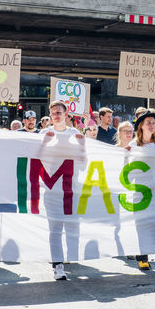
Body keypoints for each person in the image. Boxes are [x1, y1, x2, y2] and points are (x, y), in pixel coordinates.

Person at [41, 100, 85, 280]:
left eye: (59, 112)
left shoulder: (75, 134)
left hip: (71, 188)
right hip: (52, 189)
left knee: (72, 225)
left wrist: (82, 145)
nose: (56, 116)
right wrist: (44, 142)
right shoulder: (44, 133)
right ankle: (57, 265)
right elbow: (36, 158)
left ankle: (69, 256)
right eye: (53, 113)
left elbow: (83, 163)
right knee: (55, 228)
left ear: (66, 114)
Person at [127, 109, 155, 273]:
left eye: (154, 123)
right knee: (143, 223)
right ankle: (143, 257)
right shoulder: (133, 145)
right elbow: (127, 169)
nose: (152, 125)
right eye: (148, 122)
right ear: (141, 126)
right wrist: (126, 155)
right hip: (141, 190)